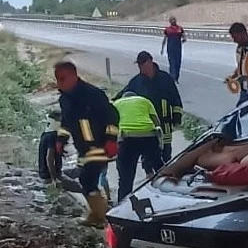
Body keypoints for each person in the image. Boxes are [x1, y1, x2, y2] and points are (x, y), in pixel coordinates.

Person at [54, 62, 119, 225]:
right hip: (82, 147)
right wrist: (61, 140)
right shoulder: (65, 100)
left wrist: (111, 140)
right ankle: (97, 215)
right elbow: (66, 122)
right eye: (57, 79)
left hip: (100, 144)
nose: (59, 83)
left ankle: (103, 216)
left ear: (74, 76)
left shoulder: (93, 94)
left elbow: (112, 116)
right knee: (86, 181)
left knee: (87, 179)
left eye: (63, 78)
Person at [116, 52, 183, 164]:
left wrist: (177, 118)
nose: (141, 67)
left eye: (143, 64)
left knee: (165, 153)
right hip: (146, 126)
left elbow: (175, 99)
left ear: (150, 62)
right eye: (139, 65)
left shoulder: (165, 79)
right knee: (147, 156)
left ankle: (165, 175)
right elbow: (123, 96)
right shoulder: (136, 81)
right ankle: (150, 175)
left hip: (164, 123)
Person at [114, 91, 164, 201]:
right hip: (148, 136)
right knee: (159, 167)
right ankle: (168, 192)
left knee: (125, 177)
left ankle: (122, 205)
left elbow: (111, 123)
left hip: (127, 139)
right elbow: (157, 122)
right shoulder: (144, 100)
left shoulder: (117, 103)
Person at [38, 108, 63, 185]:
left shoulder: (45, 134)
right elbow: (49, 158)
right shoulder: (53, 136)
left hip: (43, 175)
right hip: (49, 177)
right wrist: (54, 179)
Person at [161, 16, 186, 81]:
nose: (173, 21)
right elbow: (164, 39)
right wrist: (162, 49)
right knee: (172, 63)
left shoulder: (180, 29)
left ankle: (176, 77)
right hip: (170, 49)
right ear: (170, 21)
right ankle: (172, 77)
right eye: (172, 20)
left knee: (178, 63)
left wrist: (183, 40)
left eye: (174, 19)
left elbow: (184, 38)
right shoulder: (167, 30)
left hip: (178, 49)